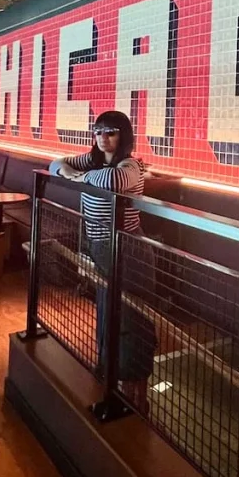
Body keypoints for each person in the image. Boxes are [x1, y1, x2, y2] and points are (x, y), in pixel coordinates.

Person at [49, 110, 156, 415]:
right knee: (108, 313)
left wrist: (75, 176)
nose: (103, 138)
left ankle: (135, 394)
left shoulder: (131, 165)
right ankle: (112, 379)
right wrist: (71, 171)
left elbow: (112, 181)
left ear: (124, 135)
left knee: (132, 318)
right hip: (99, 246)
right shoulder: (93, 160)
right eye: (98, 131)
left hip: (128, 249)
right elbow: (54, 163)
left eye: (111, 132)